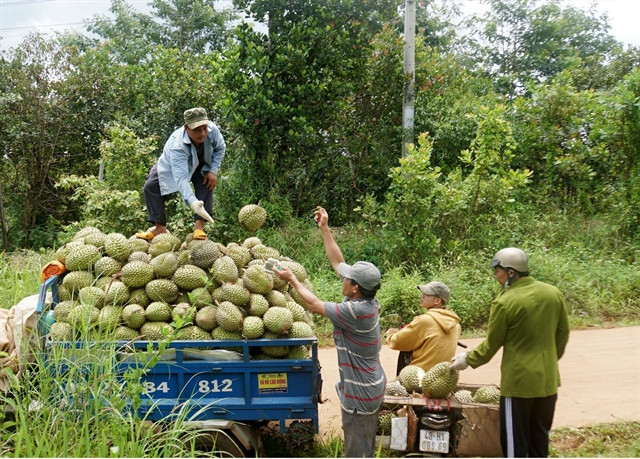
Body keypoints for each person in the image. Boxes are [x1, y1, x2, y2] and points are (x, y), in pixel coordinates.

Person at [273, 205, 386, 458]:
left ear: (355, 288)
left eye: (347, 279)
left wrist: (292, 280)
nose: (342, 278)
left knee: (357, 452)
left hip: (361, 395)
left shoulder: (356, 312)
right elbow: (338, 262)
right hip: (365, 387)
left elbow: (313, 304)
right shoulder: (363, 300)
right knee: (360, 445)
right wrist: (325, 229)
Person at [450, 247, 570, 458]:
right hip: (548, 383)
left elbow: (491, 346)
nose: (496, 276)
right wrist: (549, 360)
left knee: (515, 446)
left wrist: (467, 359)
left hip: (518, 386)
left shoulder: (505, 302)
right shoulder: (553, 293)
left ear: (511, 272)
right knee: (539, 441)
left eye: (498, 271)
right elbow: (562, 335)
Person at [136, 107, 225, 241]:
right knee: (151, 186)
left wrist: (213, 170)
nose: (202, 133)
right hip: (174, 165)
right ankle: (160, 227)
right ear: (186, 128)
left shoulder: (212, 129)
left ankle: (199, 227)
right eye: (197, 130)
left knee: (207, 183)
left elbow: (220, 147)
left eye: (204, 128)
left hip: (202, 160)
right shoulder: (177, 146)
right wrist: (193, 202)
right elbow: (181, 179)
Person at [385, 281, 461, 375]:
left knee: (405, 351)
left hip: (420, 375)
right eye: (423, 293)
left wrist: (390, 334)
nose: (422, 296)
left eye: (427, 294)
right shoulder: (455, 324)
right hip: (442, 375)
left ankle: (404, 384)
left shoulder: (424, 320)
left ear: (437, 301)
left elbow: (398, 342)